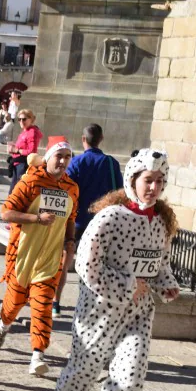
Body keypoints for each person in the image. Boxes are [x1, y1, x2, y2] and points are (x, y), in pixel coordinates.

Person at [41, 149, 179, 391]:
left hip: (138, 316)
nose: (153, 188)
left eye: (160, 181)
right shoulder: (110, 218)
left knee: (130, 378)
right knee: (82, 374)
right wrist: (126, 285)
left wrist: (166, 283)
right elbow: (86, 265)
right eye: (148, 180)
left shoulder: (160, 221)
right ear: (133, 180)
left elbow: (157, 262)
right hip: (99, 313)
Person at [0, 139, 79, 376]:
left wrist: (70, 241)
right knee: (13, 306)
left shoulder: (72, 188)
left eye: (67, 157)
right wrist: (36, 219)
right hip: (23, 256)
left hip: (50, 260)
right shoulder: (30, 182)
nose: (62, 161)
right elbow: (6, 212)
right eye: (58, 156)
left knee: (42, 307)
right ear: (48, 157)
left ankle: (37, 355)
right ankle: (4, 325)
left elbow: (70, 219)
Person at [55, 123, 123, 315]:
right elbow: (118, 193)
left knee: (64, 261)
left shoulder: (76, 163)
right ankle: (93, 305)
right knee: (98, 264)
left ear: (83, 139)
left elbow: (66, 190)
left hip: (75, 221)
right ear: (101, 139)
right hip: (102, 222)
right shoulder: (111, 163)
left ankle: (55, 302)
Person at [6, 109, 43, 189]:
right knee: (14, 190)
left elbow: (32, 151)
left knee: (17, 190)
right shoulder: (25, 131)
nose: (21, 121)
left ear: (31, 119)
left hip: (23, 164)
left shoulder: (32, 132)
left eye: (24, 119)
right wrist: (13, 148)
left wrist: (17, 150)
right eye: (19, 119)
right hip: (18, 163)